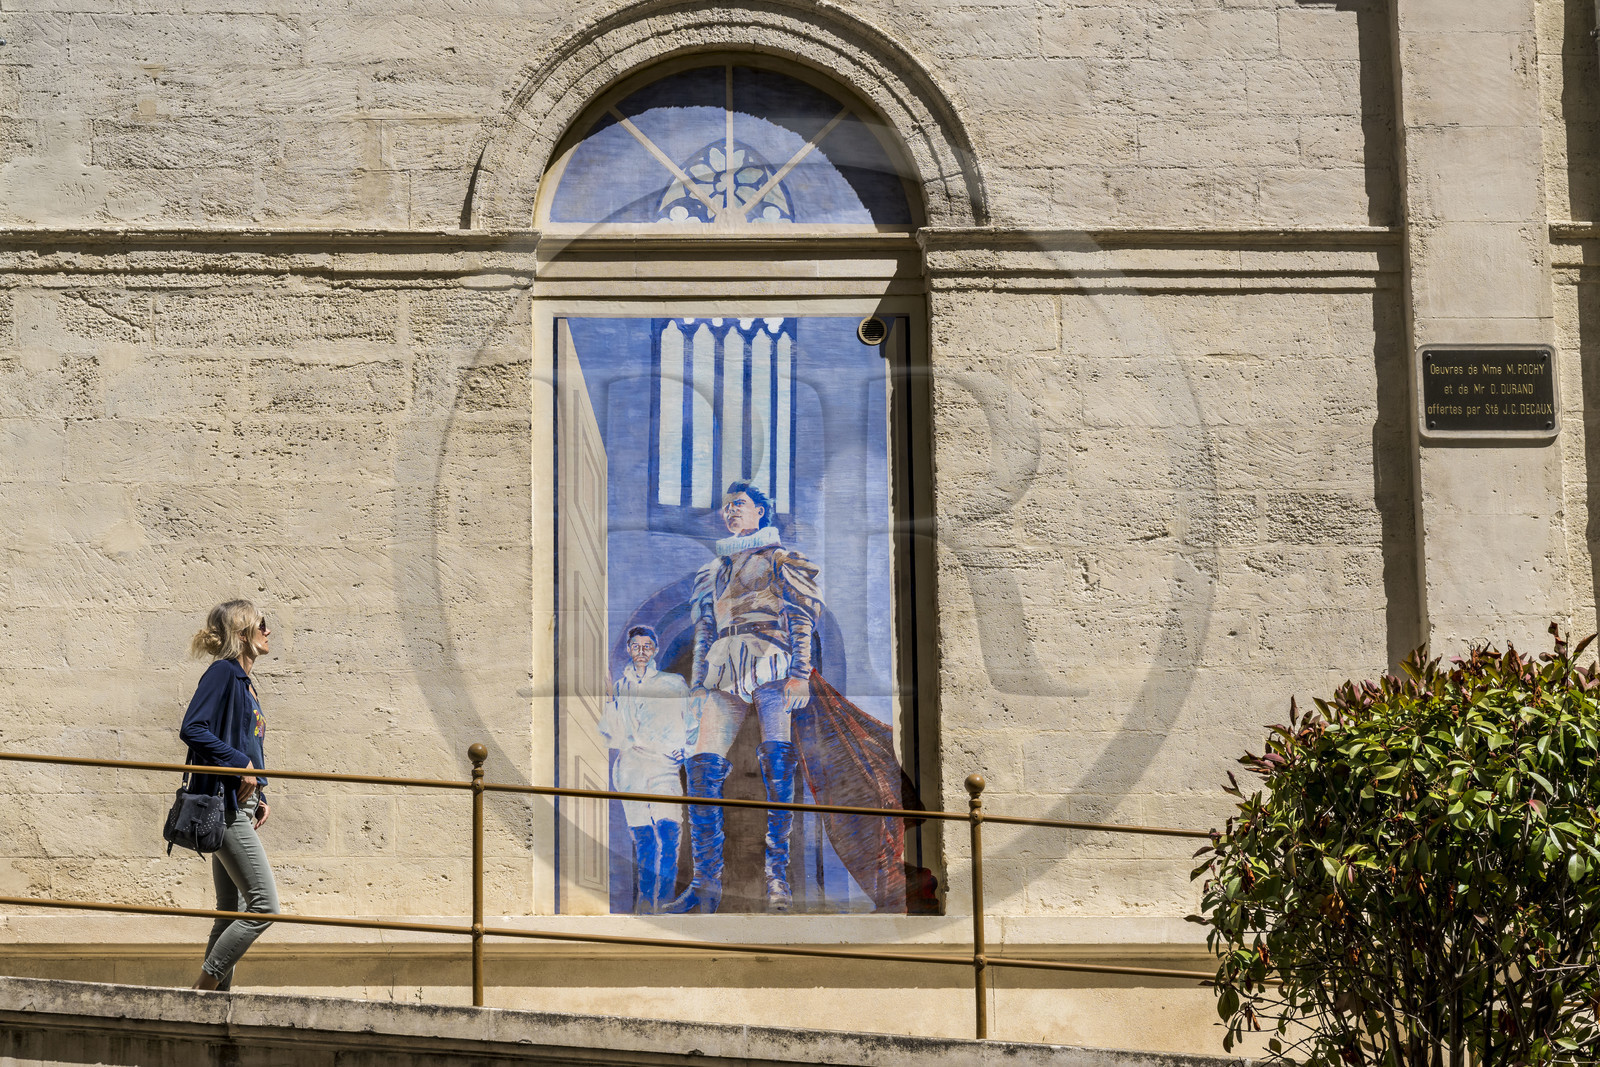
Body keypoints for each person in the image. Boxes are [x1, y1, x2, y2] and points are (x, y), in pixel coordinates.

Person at [662, 481, 822, 914]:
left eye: (739, 505)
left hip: (771, 662)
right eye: (726, 507)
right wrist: (697, 686)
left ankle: (777, 882)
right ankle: (705, 884)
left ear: (760, 513)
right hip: (723, 664)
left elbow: (801, 617)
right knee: (701, 765)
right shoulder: (714, 570)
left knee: (776, 764)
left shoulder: (779, 559)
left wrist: (800, 674)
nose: (730, 512)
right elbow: (706, 633)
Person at [180, 599, 279, 991]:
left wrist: (262, 789)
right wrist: (240, 765)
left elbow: (248, 744)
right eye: (262, 625)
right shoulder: (222, 673)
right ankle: (201, 992)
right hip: (226, 807)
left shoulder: (245, 682)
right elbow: (193, 728)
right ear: (243, 634)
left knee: (229, 910)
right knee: (263, 908)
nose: (268, 632)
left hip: (242, 802)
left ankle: (215, 1003)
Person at [598, 625, 694, 913]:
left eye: (647, 646)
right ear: (629, 649)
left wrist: (685, 750)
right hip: (631, 768)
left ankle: (663, 901)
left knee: (668, 831)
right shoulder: (619, 688)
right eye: (636, 646)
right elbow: (611, 735)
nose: (642, 651)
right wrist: (608, 700)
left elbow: (691, 721)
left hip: (664, 766)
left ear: (655, 650)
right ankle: (644, 902)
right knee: (643, 838)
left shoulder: (673, 683)